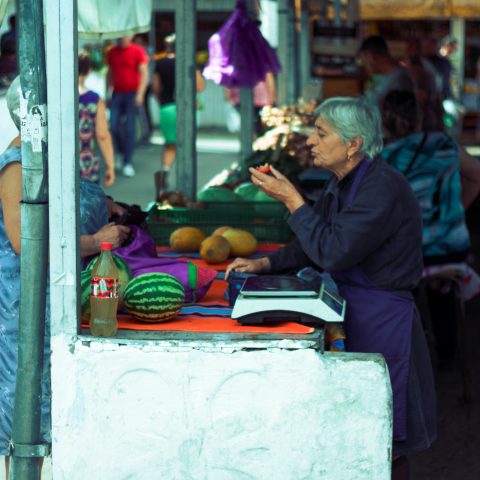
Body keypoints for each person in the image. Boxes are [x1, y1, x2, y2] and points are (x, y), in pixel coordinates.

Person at [226, 96, 436, 477]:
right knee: (354, 425)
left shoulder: (381, 188)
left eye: (321, 133)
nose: (311, 141)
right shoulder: (342, 183)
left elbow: (333, 250)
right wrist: (265, 262)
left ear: (353, 144)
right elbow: (316, 239)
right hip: (350, 308)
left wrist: (292, 199)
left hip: (381, 318)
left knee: (382, 435)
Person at [0, 77, 130, 478]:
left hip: (52, 294)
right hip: (24, 301)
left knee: (51, 397)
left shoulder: (48, 156)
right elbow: (26, 241)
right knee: (25, 402)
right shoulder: (17, 164)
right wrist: (95, 241)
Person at [380, 90, 476, 367]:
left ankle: (407, 345)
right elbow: (476, 175)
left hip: (410, 254)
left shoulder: (384, 156)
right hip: (452, 249)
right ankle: (447, 352)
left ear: (384, 122)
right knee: (441, 288)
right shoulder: (445, 145)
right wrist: (454, 214)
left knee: (390, 277)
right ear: (420, 117)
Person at [151, 34, 205, 197]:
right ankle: (185, 182)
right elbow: (200, 86)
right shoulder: (189, 63)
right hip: (188, 108)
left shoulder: (159, 64)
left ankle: (165, 172)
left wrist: (164, 99)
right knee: (187, 145)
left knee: (169, 144)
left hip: (167, 107)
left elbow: (155, 88)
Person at [106, 35, 149, 178]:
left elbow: (144, 73)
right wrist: (107, 91)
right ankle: (118, 153)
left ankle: (127, 162)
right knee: (113, 127)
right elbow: (110, 72)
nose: (121, 38)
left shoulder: (137, 50)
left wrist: (140, 94)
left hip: (132, 93)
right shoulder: (112, 51)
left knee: (130, 129)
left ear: (130, 36)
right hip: (117, 93)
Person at [78, 51, 115, 187]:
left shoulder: (55, 98)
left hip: (57, 164)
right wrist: (110, 166)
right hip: (85, 165)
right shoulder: (94, 99)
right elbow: (102, 135)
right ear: (89, 71)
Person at [359, 35, 415, 108]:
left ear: (371, 57)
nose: (365, 65)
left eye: (364, 60)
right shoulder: (394, 77)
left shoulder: (399, 79)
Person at [402, 38, 444, 133]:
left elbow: (431, 96)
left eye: (411, 48)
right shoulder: (410, 67)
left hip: (425, 121)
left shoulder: (426, 69)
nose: (408, 51)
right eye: (408, 48)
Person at [225, 71, 277, 137]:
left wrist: (227, 93)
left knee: (248, 124)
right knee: (255, 125)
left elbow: (229, 76)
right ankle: (253, 140)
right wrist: (272, 97)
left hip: (242, 97)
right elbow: (269, 76)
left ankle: (250, 139)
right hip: (258, 98)